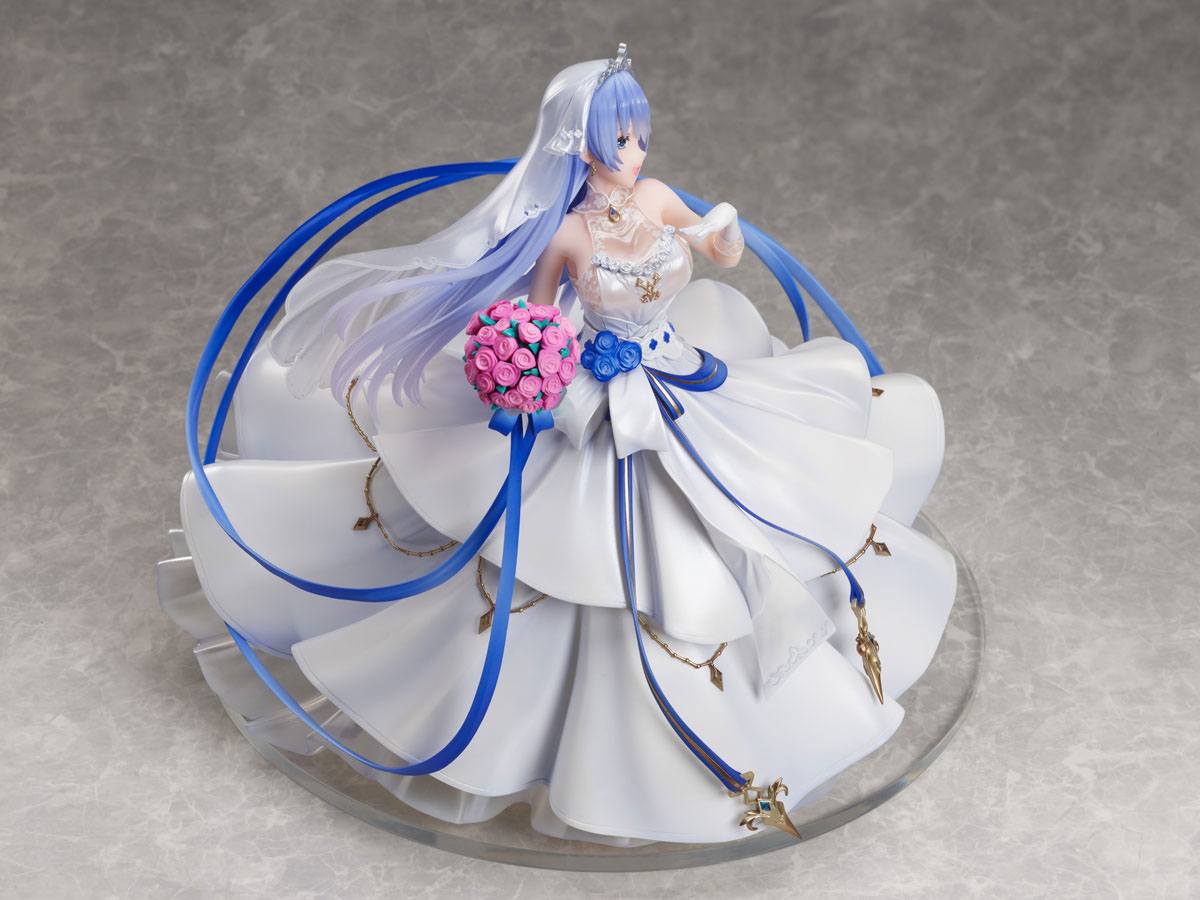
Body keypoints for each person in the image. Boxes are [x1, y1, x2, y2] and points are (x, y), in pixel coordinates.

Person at [165, 45, 956, 847]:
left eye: (640, 136)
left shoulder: (655, 197)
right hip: (595, 397)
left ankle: (785, 698)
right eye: (620, 139)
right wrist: (524, 368)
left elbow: (714, 249)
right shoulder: (566, 235)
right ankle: (585, 741)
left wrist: (723, 236)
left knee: (740, 502)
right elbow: (534, 318)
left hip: (679, 378)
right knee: (580, 551)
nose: (634, 153)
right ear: (580, 144)